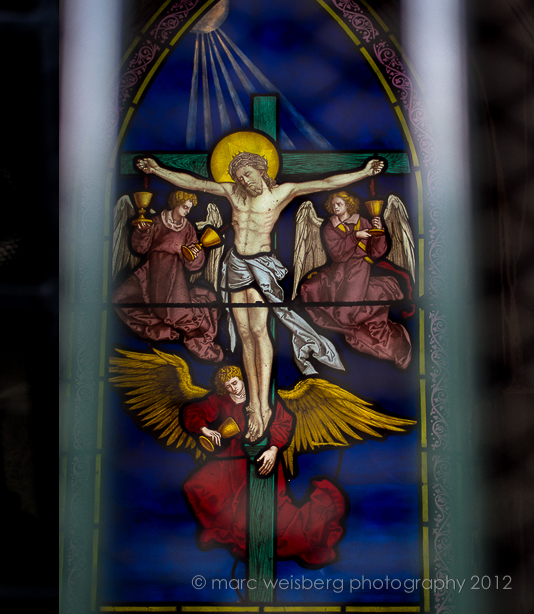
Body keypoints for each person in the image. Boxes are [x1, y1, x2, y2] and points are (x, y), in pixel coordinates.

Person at [138, 150, 384, 440]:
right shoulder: (233, 193)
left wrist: (366, 173)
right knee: (244, 334)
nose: (243, 180)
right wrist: (156, 170)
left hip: (260, 266)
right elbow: (194, 184)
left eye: (247, 174)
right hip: (236, 265)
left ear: (260, 169)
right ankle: (253, 404)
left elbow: (327, 182)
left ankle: (263, 405)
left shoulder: (283, 192)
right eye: (239, 177)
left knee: (258, 331)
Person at [181, 366, 347, 567]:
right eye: (228, 386)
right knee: (195, 486)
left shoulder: (262, 399)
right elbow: (194, 411)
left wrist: (274, 449)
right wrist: (204, 429)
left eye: (235, 382)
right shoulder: (221, 400)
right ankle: (222, 530)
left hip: (263, 458)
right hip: (232, 459)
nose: (233, 389)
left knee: (261, 511)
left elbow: (283, 423)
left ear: (243, 379)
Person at [299, 191, 412, 368]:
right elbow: (336, 254)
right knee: (310, 288)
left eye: (340, 204)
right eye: (334, 204)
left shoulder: (362, 221)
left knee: (346, 314)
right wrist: (355, 237)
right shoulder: (330, 226)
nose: (336, 207)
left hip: (360, 268)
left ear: (348, 205)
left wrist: (379, 231)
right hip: (338, 270)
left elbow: (377, 251)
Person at [112, 190, 222, 362]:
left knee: (175, 310)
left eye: (189, 208)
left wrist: (194, 254)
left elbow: (194, 265)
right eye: (185, 207)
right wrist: (141, 232)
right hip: (150, 272)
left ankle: (187, 335)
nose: (187, 211)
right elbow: (140, 249)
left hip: (174, 273)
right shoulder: (156, 222)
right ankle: (164, 329)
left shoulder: (188, 228)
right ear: (175, 203)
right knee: (120, 298)